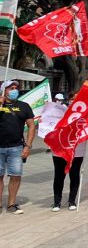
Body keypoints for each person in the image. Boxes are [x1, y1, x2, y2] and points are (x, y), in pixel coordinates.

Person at [49, 97, 88, 211]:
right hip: (60, 149)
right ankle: (57, 202)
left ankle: (72, 201)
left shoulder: (85, 115)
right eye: (72, 99)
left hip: (78, 150)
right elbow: (50, 124)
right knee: (59, 175)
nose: (73, 101)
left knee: (74, 174)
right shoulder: (59, 111)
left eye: (77, 99)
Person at [0, 80, 35, 214]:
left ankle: (11, 204)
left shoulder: (24, 106)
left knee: (15, 176)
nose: (14, 90)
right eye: (10, 88)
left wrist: (28, 146)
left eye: (16, 87)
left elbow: (31, 126)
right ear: (4, 90)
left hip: (16, 147)